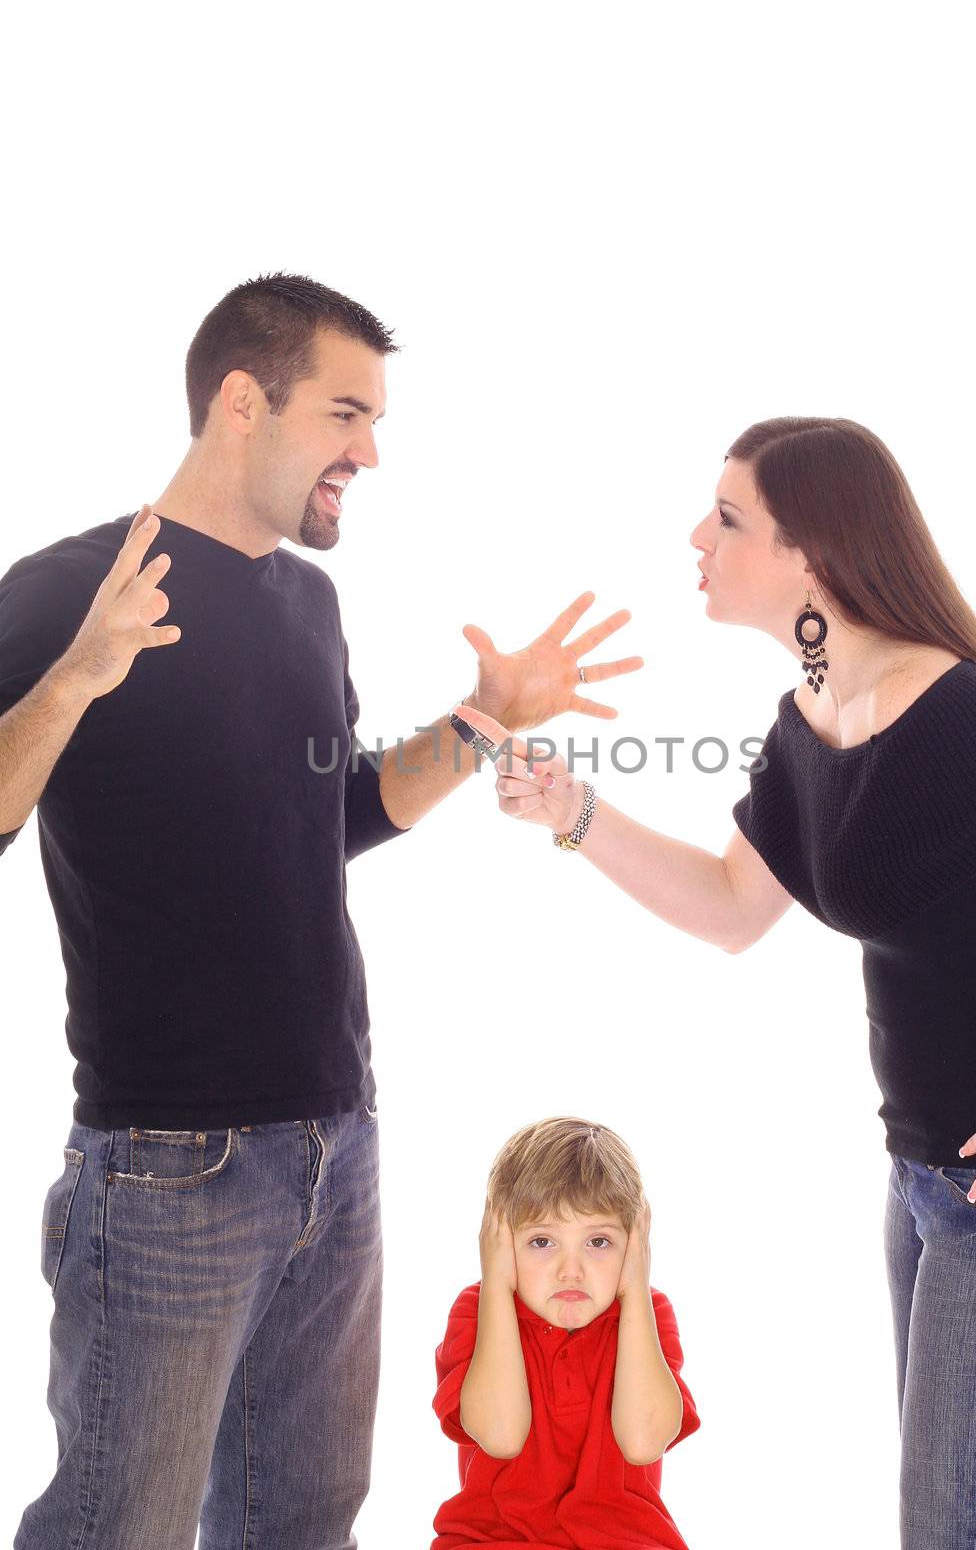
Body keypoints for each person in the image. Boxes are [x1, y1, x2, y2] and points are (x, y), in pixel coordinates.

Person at [0, 272, 643, 1550]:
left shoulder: (309, 603)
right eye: (346, 413)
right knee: (114, 1526)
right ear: (244, 401)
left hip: (333, 1147)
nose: (370, 451)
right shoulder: (67, 585)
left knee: (301, 1521)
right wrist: (77, 675)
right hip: (169, 1166)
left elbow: (335, 815)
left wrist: (486, 719)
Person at [454, 415, 976, 1550]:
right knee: (955, 1521)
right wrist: (572, 813)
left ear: (812, 556)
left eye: (728, 517)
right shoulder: (814, 717)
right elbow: (735, 907)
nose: (696, 535)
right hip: (928, 1178)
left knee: (960, 1528)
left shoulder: (961, 716)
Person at [431, 1117, 699, 1549]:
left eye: (598, 1242)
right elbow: (500, 1434)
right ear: (500, 1244)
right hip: (494, 1540)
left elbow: (643, 1440)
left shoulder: (648, 1314)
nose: (571, 1270)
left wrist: (635, 1290)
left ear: (632, 1246)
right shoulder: (479, 1312)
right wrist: (496, 1283)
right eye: (542, 1241)